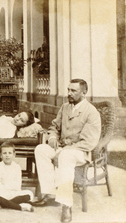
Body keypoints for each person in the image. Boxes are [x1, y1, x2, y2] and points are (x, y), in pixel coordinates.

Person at [34, 79, 101, 223]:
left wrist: (63, 151)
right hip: (62, 148)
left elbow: (88, 142)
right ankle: (50, 194)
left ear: (84, 93)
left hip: (80, 152)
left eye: (73, 91)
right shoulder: (65, 107)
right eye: (68, 90)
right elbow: (54, 127)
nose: (69, 93)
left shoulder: (91, 112)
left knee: (65, 156)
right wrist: (52, 138)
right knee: (41, 149)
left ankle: (66, 205)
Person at [0, 141, 34, 212]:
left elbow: (17, 186)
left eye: (10, 153)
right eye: (4, 153)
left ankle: (1, 204)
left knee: (30, 194)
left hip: (14, 193)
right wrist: (10, 186)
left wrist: (5, 184)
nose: (7, 155)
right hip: (1, 193)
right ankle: (20, 207)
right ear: (0, 155)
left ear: (14, 155)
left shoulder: (17, 167)